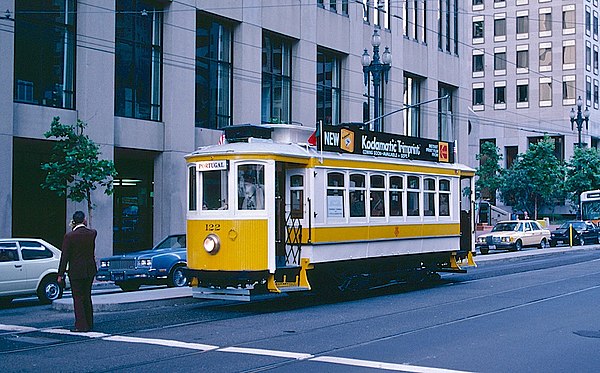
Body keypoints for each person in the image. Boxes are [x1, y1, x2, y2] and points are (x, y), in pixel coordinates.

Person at [58, 211, 97, 332]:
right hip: (89, 270)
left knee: (78, 298)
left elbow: (65, 256)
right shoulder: (92, 233)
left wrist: (60, 273)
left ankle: (81, 325)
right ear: (84, 220)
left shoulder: (69, 236)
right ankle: (89, 323)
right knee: (87, 296)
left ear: (74, 221)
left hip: (76, 271)